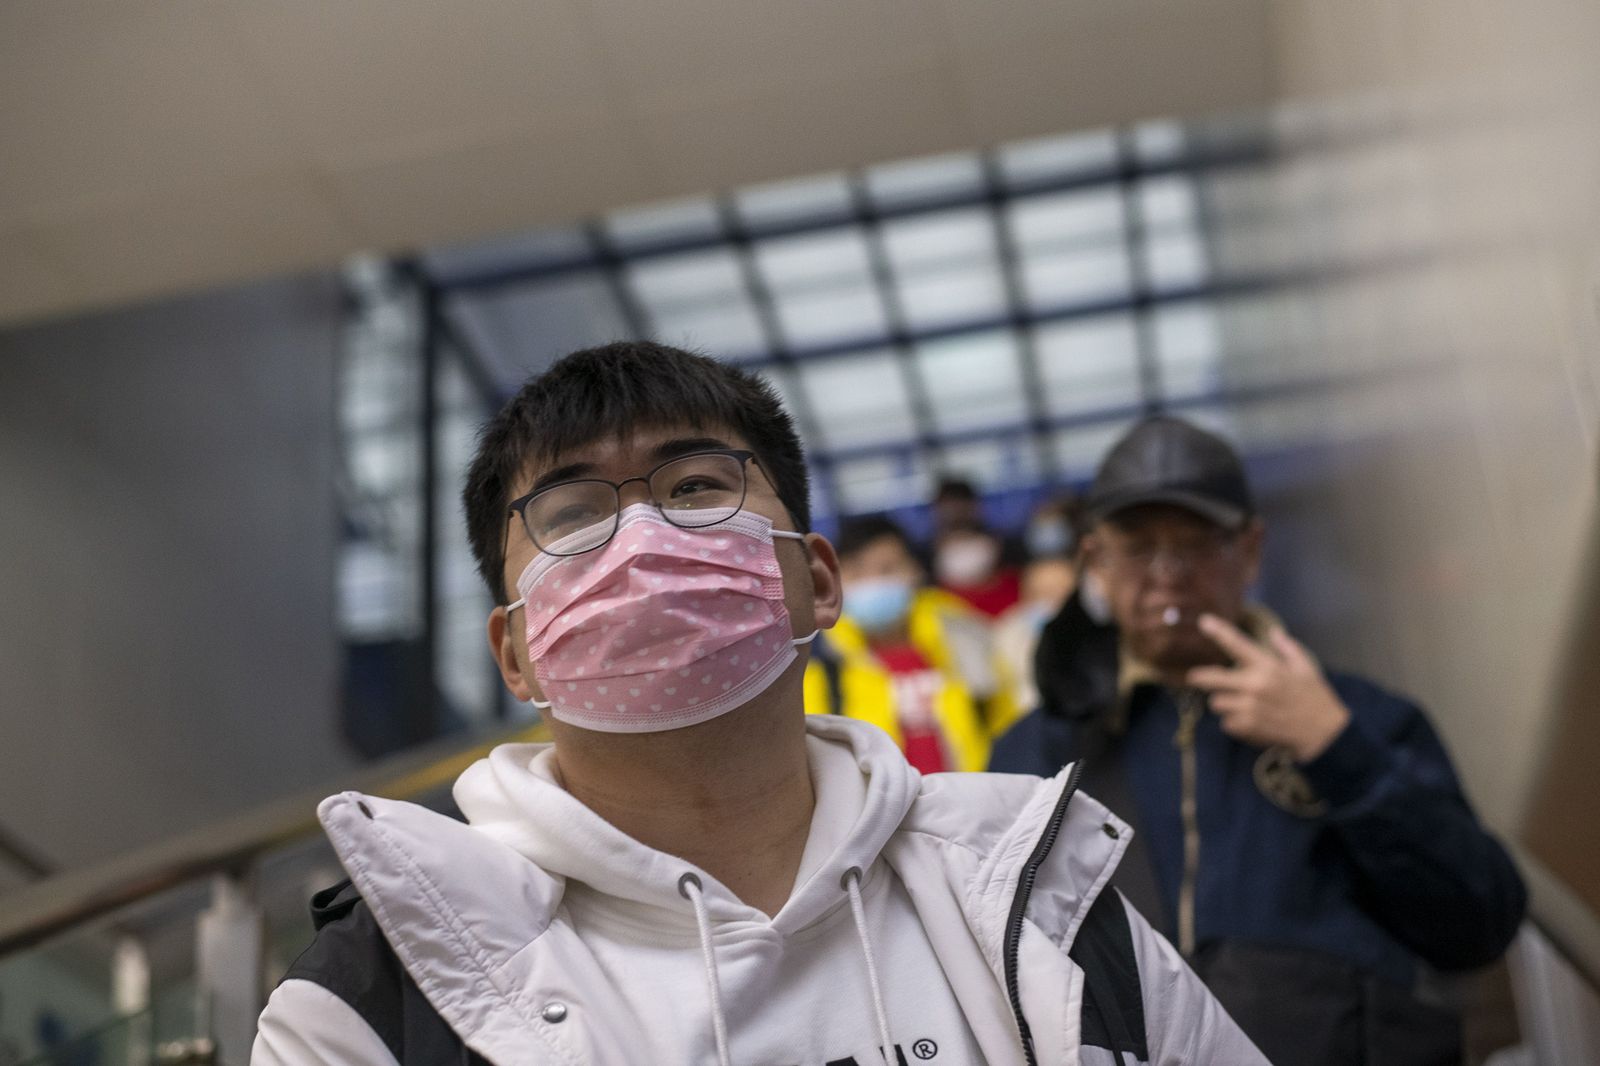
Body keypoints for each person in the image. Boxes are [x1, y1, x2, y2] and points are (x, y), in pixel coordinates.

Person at [253, 344, 1268, 1065]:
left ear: (815, 581)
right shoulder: (382, 997)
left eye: (697, 487)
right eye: (571, 512)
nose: (642, 539)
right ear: (514, 650)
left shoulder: (1037, 899)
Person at [990, 414, 1528, 1066]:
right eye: (1138, 545)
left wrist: (1336, 750)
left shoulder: (1360, 718)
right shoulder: (1036, 753)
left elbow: (1479, 925)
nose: (1168, 573)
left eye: (1197, 543)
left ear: (1249, 550)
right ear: (1095, 561)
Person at [803, 515, 1016, 772]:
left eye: (887, 569)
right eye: (857, 572)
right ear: (835, 581)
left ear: (915, 570)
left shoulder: (964, 640)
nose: (873, 582)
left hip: (975, 799)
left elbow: (1007, 726)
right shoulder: (823, 664)